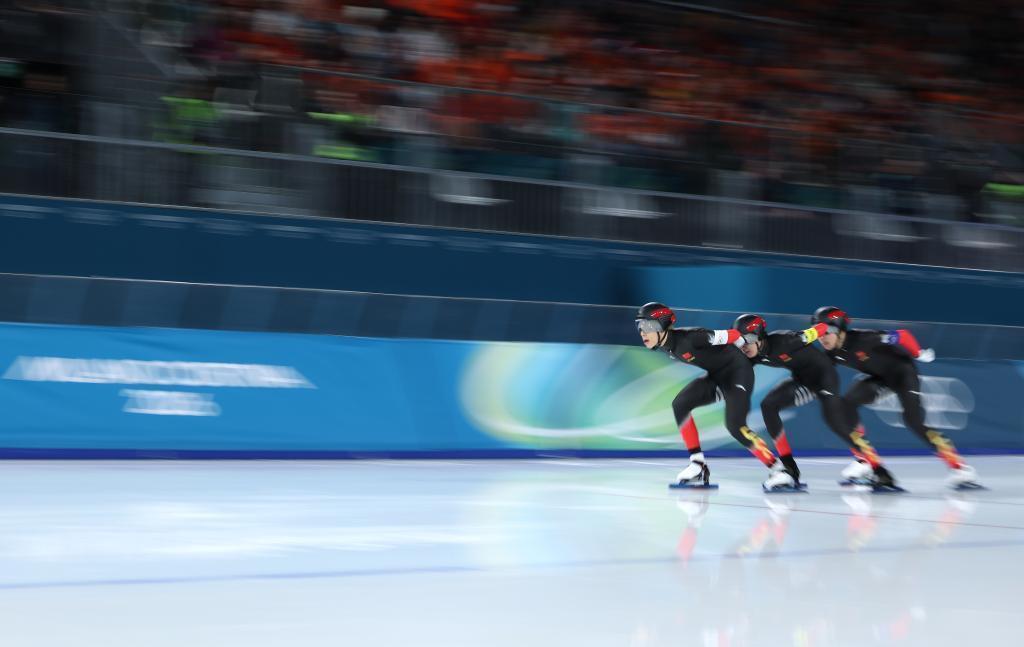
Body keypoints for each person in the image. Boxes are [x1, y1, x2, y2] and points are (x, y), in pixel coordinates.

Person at [811, 306, 981, 489]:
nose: (822, 338)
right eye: (818, 334)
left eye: (826, 332)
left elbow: (902, 335)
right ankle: (864, 460)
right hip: (880, 378)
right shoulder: (831, 353)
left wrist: (918, 353)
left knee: (914, 421)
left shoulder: (865, 338)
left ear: (840, 329)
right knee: (846, 405)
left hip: (903, 375)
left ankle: (960, 468)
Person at [635, 302, 797, 491]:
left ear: (662, 325)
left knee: (735, 426)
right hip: (717, 376)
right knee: (680, 404)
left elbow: (734, 336)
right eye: (640, 327)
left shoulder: (692, 337)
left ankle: (779, 471)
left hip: (738, 373)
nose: (642, 332)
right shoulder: (666, 345)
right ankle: (697, 465)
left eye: (647, 327)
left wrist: (745, 346)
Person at [734, 313, 900, 490]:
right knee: (768, 405)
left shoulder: (786, 340)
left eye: (748, 339)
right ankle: (790, 470)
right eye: (739, 342)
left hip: (824, 377)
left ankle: (879, 471)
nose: (744, 346)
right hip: (802, 379)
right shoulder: (752, 354)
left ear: (760, 336)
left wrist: (828, 327)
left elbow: (816, 330)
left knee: (837, 422)